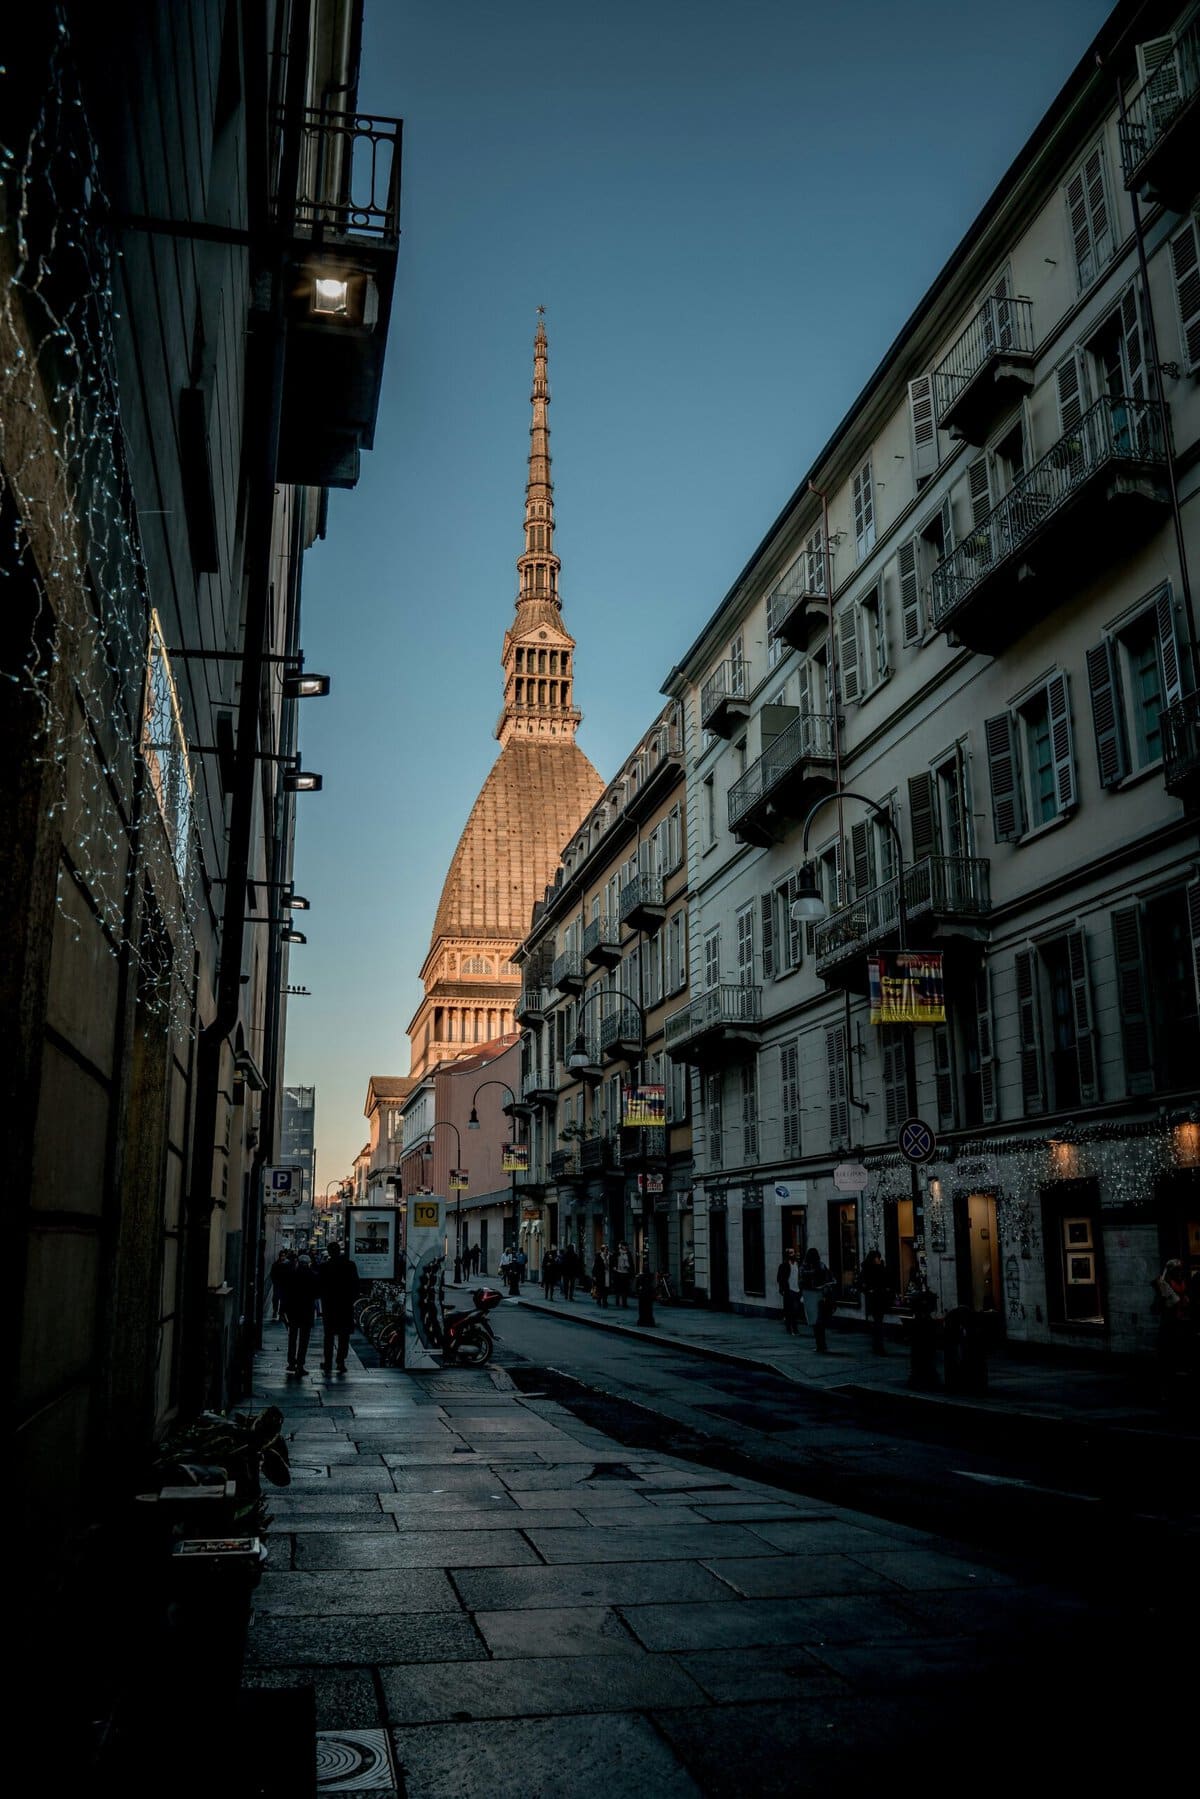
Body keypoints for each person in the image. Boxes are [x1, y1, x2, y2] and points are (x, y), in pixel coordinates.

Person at [317, 1240, 360, 1374]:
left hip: (330, 1306)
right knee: (344, 1336)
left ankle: (328, 1362)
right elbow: (355, 1284)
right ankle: (341, 1362)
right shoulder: (350, 1265)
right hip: (345, 1306)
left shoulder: (325, 1267)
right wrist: (351, 1299)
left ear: (329, 1252)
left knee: (328, 1336)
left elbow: (320, 1287)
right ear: (339, 1251)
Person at [283, 1252, 318, 1374]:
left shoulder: (292, 1275)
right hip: (307, 1311)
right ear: (308, 1264)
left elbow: (286, 1293)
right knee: (304, 1339)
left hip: (293, 1310)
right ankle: (300, 1365)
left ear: (299, 1262)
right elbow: (317, 1293)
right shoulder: (313, 1276)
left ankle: (291, 1362)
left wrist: (284, 1309)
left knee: (292, 1337)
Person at [799, 1245, 835, 1353]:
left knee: (814, 1321)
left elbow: (801, 1282)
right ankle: (822, 1344)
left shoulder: (804, 1267)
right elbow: (830, 1280)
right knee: (820, 1321)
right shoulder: (821, 1266)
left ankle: (819, 1344)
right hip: (820, 1294)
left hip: (810, 1294)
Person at [859, 1248, 891, 1354]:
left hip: (878, 1298)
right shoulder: (869, 1269)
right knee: (878, 1323)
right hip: (875, 1299)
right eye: (878, 1258)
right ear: (874, 1259)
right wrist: (869, 1290)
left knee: (878, 1322)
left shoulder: (876, 1268)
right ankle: (878, 1346)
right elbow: (862, 1284)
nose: (879, 1260)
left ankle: (877, 1345)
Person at [776, 1245, 802, 1336]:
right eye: (790, 1253)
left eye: (793, 1252)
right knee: (790, 1310)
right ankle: (791, 1328)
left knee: (796, 1310)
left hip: (797, 1290)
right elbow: (779, 1278)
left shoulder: (798, 1264)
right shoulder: (784, 1265)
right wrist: (782, 1289)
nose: (792, 1254)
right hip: (789, 1290)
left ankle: (793, 1327)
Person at [269, 1249, 292, 1321]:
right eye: (282, 1256)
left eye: (284, 1256)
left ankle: (281, 1312)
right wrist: (275, 1281)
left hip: (284, 1284)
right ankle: (275, 1311)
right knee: (276, 1298)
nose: (283, 1257)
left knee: (283, 1299)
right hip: (278, 1284)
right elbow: (272, 1274)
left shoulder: (288, 1264)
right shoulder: (276, 1264)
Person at [612, 1241, 633, 1308]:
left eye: (626, 1246)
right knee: (618, 1288)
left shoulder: (628, 1254)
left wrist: (631, 1271)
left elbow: (631, 1263)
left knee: (625, 1288)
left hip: (626, 1273)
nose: (626, 1247)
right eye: (625, 1246)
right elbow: (613, 1261)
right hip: (618, 1272)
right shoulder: (617, 1253)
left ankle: (624, 1303)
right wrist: (614, 1267)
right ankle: (617, 1301)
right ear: (621, 1246)